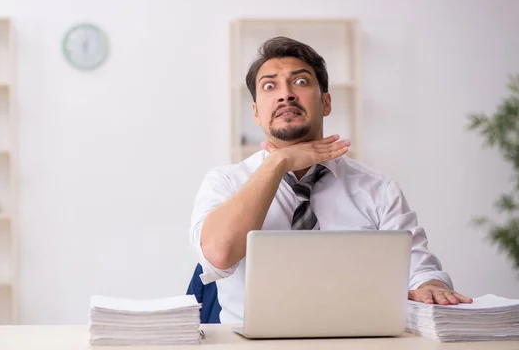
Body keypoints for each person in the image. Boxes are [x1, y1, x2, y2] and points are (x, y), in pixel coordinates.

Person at [189, 36, 472, 324]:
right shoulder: (225, 181)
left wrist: (430, 287)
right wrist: (278, 162)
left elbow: (418, 268)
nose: (285, 94)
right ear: (256, 114)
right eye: (269, 86)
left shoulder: (377, 188)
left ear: (325, 102)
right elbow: (218, 255)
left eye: (300, 82)